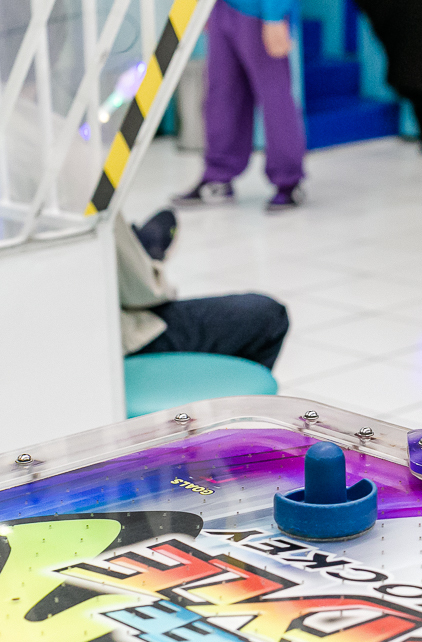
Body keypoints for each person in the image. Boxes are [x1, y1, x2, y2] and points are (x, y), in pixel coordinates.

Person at [173, 0, 305, 211]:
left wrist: (274, 15)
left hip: (260, 10)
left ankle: (288, 181)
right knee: (221, 96)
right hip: (222, 8)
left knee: (274, 98)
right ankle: (218, 177)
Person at [118, 209, 290, 368]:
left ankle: (133, 249)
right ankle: (141, 252)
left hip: (103, 340)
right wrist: (153, 268)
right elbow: (149, 293)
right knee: (269, 316)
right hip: (123, 341)